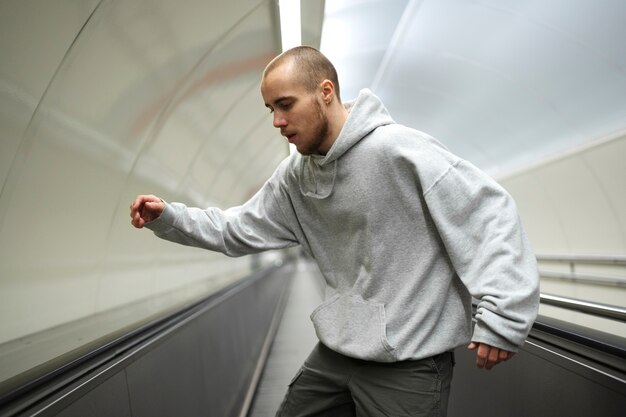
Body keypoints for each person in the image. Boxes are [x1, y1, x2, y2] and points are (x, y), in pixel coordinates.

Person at [130, 46, 539, 416]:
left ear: (325, 92)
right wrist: (170, 216)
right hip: (337, 356)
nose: (277, 121)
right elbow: (237, 229)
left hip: (409, 364)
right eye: (270, 108)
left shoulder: (398, 150)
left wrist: (502, 313)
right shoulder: (295, 177)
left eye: (285, 104)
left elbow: (486, 211)